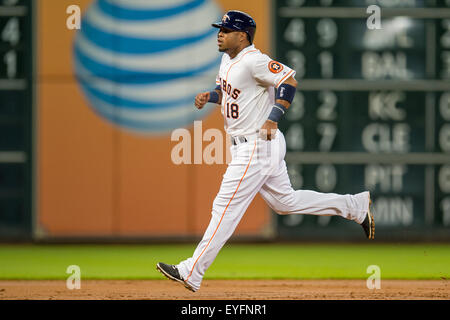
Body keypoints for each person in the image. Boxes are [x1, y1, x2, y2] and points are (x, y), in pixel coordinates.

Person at [157, 10, 375, 293]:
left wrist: (273, 117)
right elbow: (229, 91)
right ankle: (354, 206)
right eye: (219, 29)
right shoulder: (228, 60)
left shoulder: (254, 60)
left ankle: (191, 271)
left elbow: (289, 81)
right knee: (286, 203)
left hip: (257, 145)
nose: (220, 33)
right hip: (252, 147)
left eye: (226, 29)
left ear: (243, 35)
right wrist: (209, 96)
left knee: (224, 208)